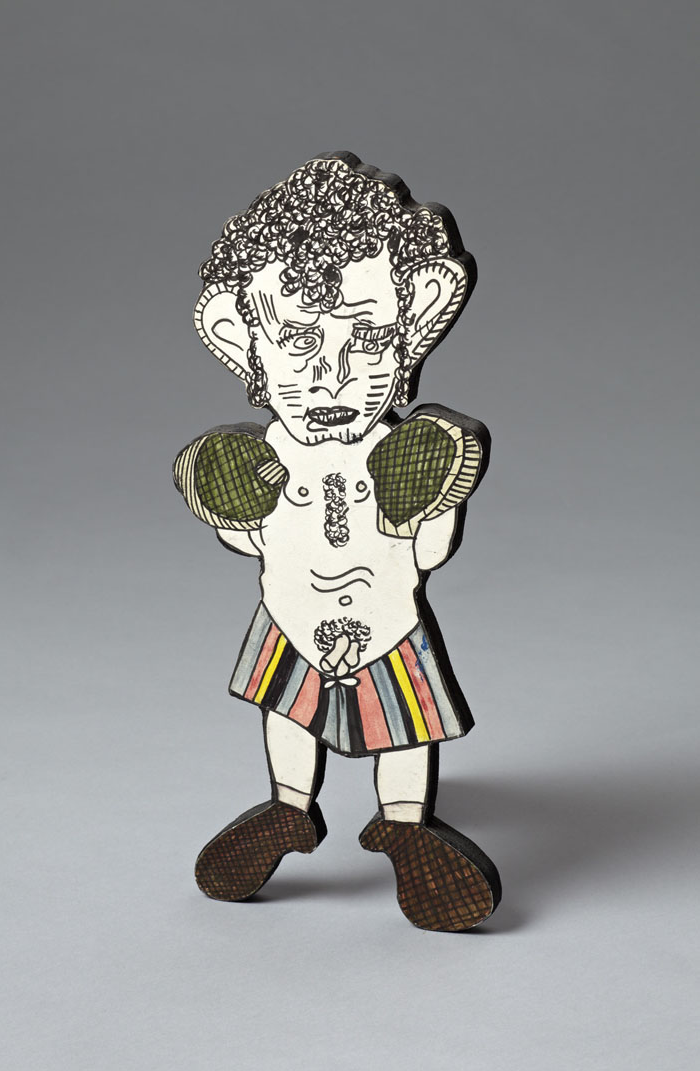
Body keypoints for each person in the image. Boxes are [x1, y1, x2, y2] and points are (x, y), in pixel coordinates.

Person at [174, 152, 501, 931]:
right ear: (240, 339)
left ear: (414, 326)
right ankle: (288, 807)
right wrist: (233, 510)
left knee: (406, 725)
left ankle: (406, 823)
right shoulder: (259, 459)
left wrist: (425, 505)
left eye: (367, 336)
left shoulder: (408, 453)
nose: (333, 374)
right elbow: (249, 538)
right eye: (296, 339)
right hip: (290, 615)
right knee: (289, 711)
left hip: (389, 619)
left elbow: (424, 554)